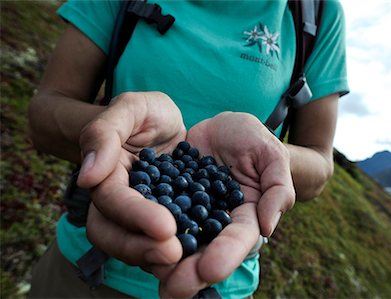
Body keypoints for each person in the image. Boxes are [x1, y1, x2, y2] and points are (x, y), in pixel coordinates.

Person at [28, 0, 349, 298]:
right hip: (80, 268)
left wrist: (271, 154)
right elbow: (44, 111)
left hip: (220, 282)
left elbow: (320, 162)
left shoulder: (318, 12)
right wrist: (117, 130)